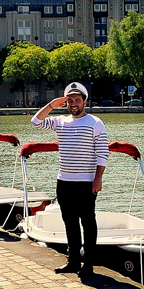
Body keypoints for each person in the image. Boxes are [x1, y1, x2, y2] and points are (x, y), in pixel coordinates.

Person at [31, 81, 109, 277]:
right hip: (64, 181)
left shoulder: (95, 123)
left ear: (84, 101)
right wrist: (51, 105)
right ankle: (73, 261)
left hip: (86, 182)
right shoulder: (61, 121)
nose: (73, 104)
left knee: (88, 222)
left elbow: (102, 153)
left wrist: (98, 178)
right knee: (70, 222)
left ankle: (88, 264)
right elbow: (36, 121)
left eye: (77, 100)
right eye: (70, 101)